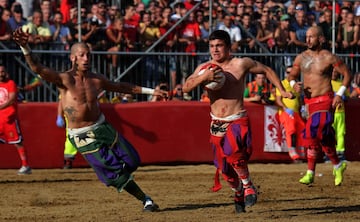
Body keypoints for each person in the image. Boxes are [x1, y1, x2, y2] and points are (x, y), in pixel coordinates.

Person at [13, 27, 163, 212]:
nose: (86, 58)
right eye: (82, 55)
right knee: (116, 173)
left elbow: (120, 86)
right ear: (73, 58)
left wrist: (151, 91)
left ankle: (115, 175)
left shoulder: (96, 79)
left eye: (88, 55)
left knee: (133, 160)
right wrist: (25, 47)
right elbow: (38, 68)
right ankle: (145, 199)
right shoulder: (65, 79)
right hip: (81, 135)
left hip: (102, 126)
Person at [182, 30, 293, 213]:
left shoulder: (240, 63)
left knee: (233, 152)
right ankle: (238, 191)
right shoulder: (204, 67)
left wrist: (282, 91)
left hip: (237, 118)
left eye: (219, 46)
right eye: (211, 46)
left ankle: (248, 186)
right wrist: (203, 77)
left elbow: (267, 70)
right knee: (224, 169)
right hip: (216, 123)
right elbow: (186, 87)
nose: (214, 50)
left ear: (228, 46)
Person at [287, 26, 351, 186]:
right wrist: (294, 85)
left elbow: (347, 74)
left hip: (325, 99)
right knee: (323, 136)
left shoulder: (329, 57)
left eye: (312, 36)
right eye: (307, 37)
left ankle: (310, 172)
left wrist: (339, 94)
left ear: (321, 38)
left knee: (314, 130)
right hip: (309, 103)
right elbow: (291, 76)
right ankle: (337, 165)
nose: (308, 39)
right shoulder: (301, 58)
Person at [0, 65, 32, 175]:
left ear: (6, 72)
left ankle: (25, 165)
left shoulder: (10, 84)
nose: (1, 74)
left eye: (3, 71)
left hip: (10, 119)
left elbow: (12, 99)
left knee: (17, 142)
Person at [275, 66, 306, 162]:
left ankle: (301, 154)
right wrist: (285, 108)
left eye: (292, 73)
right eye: (288, 72)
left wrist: (303, 109)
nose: (290, 74)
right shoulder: (281, 84)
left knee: (303, 130)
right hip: (286, 112)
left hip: (296, 112)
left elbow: (299, 99)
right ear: (285, 74)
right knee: (291, 130)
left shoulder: (296, 85)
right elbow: (278, 100)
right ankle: (293, 154)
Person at [56, 96, 78, 169]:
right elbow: (62, 101)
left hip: (86, 112)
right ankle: (68, 159)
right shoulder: (67, 86)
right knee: (71, 136)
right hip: (71, 113)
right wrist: (59, 116)